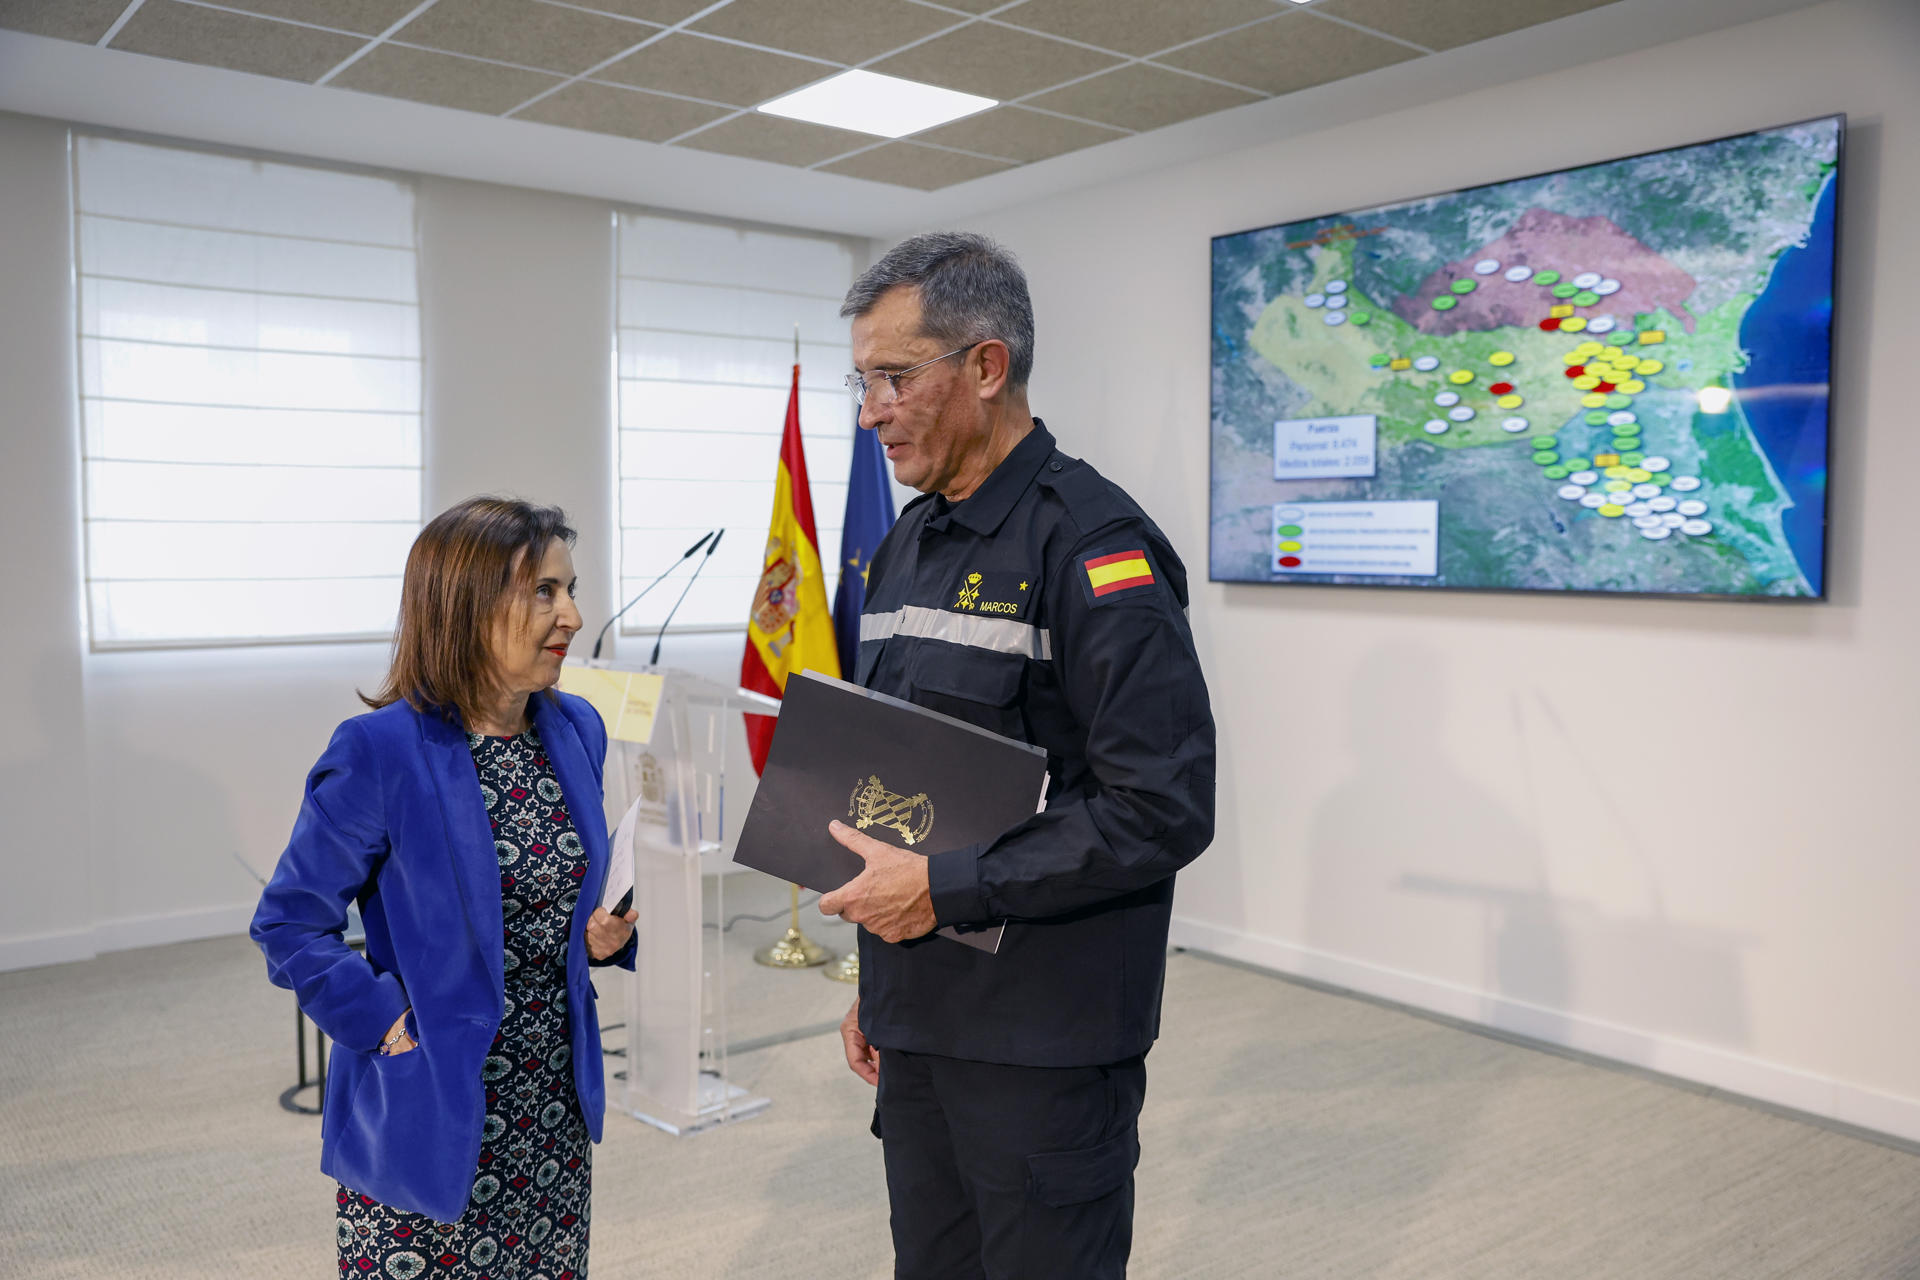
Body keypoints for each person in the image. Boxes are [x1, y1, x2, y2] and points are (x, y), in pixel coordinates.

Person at [817, 232, 1216, 1278]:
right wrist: (880, 973)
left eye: (895, 377)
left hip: (1044, 1040)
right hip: (921, 1013)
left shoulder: (1096, 546)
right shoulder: (905, 543)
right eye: (863, 381)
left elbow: (1161, 806)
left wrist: (948, 890)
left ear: (986, 367)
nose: (871, 410)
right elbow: (902, 778)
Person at [250, 496, 638, 1277]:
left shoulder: (576, 729)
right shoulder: (379, 750)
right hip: (427, 1107)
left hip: (548, 1116)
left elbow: (552, 895)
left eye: (570, 590)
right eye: (545, 592)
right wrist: (383, 1022)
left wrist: (601, 935)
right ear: (465, 607)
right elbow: (288, 923)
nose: (572, 615)